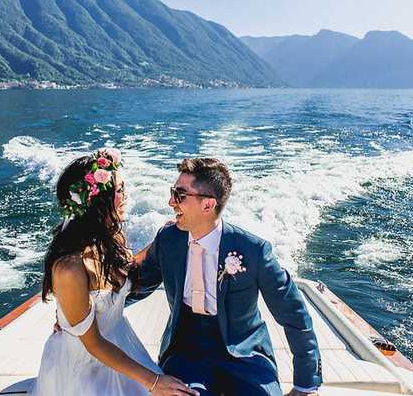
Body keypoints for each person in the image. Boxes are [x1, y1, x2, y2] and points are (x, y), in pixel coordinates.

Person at [128, 157, 322, 396]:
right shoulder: (168, 239)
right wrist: (93, 307)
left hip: (245, 354)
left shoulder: (254, 251)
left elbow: (294, 314)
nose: (171, 202)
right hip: (186, 351)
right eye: (172, 193)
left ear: (208, 205)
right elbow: (138, 286)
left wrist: (305, 384)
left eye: (180, 195)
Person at [31, 148, 199, 396]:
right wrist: (153, 382)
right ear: (99, 201)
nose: (126, 196)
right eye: (120, 191)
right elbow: (93, 343)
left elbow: (126, 269)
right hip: (84, 366)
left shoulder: (109, 237)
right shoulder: (69, 268)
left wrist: (165, 237)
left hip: (122, 347)